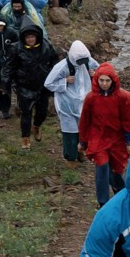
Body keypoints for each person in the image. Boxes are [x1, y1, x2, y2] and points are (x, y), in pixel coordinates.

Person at [78, 61, 130, 205]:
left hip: (117, 138)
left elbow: (128, 120)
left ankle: (123, 198)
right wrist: (83, 141)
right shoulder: (91, 98)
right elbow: (85, 121)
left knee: (116, 169)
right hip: (98, 138)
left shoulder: (123, 97)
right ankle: (103, 203)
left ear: (113, 80)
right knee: (101, 166)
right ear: (96, 79)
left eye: (107, 81)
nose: (104, 84)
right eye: (101, 80)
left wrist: (128, 142)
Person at [46, 39, 94, 168]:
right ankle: (70, 159)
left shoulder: (88, 62)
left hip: (84, 103)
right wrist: (64, 81)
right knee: (69, 132)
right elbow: (48, 83)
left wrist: (95, 74)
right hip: (66, 104)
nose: (82, 64)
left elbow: (102, 72)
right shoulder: (62, 67)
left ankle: (80, 152)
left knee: (82, 130)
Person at [10, 23, 57, 148]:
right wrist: (7, 83)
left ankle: (36, 126)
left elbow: (55, 64)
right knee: (26, 113)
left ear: (37, 37)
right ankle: (25, 138)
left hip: (43, 87)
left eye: (32, 37)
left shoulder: (47, 46)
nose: (30, 39)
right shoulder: (16, 48)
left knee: (42, 112)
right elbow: (9, 67)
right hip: (25, 86)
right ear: (24, 38)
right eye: (27, 37)